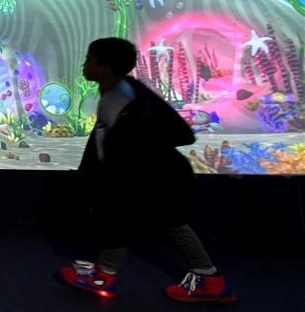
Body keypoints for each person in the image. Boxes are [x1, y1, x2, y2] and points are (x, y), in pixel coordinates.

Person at [58, 38, 235, 303]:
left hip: (159, 178)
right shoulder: (117, 90)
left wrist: (131, 160)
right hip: (147, 175)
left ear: (103, 67)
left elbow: (176, 134)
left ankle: (208, 280)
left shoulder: (123, 97)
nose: (85, 64)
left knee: (150, 222)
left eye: (90, 59)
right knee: (123, 220)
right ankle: (106, 274)